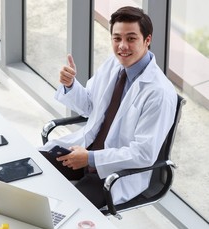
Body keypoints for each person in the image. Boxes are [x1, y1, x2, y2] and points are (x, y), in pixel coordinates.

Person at [40, 6, 177, 209]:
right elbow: (88, 106)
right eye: (117, 38)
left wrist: (91, 158)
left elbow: (143, 154)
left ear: (147, 40)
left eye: (131, 38)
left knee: (69, 210)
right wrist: (70, 85)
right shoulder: (113, 64)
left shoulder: (160, 93)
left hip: (116, 174)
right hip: (85, 152)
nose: (122, 46)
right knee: (31, 167)